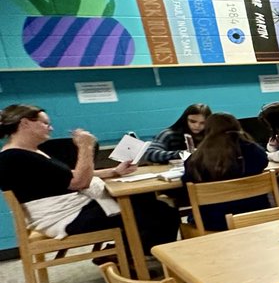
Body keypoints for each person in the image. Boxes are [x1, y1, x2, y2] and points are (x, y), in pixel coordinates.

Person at [0, 104, 179, 261]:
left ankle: (125, 253)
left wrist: (114, 172)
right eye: (45, 123)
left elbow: (66, 176)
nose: (51, 128)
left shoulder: (27, 152)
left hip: (72, 210)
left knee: (145, 200)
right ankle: (133, 257)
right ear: (25, 123)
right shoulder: (14, 157)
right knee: (161, 213)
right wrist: (85, 147)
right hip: (66, 218)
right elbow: (79, 182)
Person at [181, 111, 271, 231]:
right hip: (257, 214)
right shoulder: (255, 151)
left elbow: (186, 189)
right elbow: (263, 162)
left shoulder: (197, 159)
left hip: (215, 221)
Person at [142, 103, 210, 164]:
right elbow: (150, 154)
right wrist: (182, 154)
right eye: (192, 121)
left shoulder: (210, 135)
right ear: (184, 120)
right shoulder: (168, 134)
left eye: (202, 123)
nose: (197, 126)